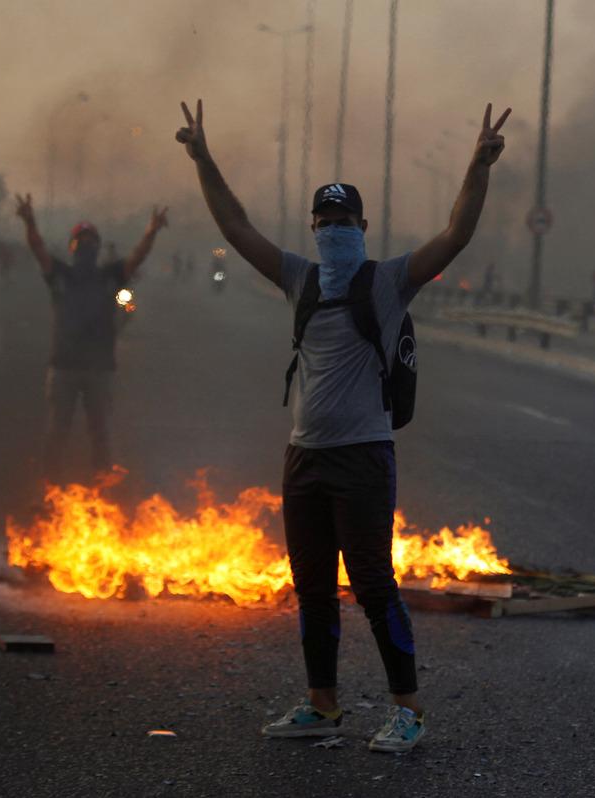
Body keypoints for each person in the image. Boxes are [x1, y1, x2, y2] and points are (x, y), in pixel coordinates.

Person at [176, 98, 509, 753]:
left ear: (363, 225)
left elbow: (455, 235)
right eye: (323, 220)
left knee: (374, 586)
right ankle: (321, 706)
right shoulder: (298, 280)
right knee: (312, 590)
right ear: (313, 227)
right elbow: (237, 224)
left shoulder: (386, 283)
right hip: (303, 458)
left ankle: (407, 709)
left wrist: (478, 167)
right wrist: (201, 156)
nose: (332, 228)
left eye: (342, 220)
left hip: (362, 457)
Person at [12, 193, 167, 484]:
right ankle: (50, 488)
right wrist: (29, 220)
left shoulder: (111, 275)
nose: (86, 245)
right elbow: (37, 248)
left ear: (98, 248)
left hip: (100, 369)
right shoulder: (60, 275)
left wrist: (152, 231)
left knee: (100, 433)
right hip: (64, 366)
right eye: (81, 241)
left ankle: (102, 488)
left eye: (91, 241)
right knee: (58, 431)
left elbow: (137, 258)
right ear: (72, 248)